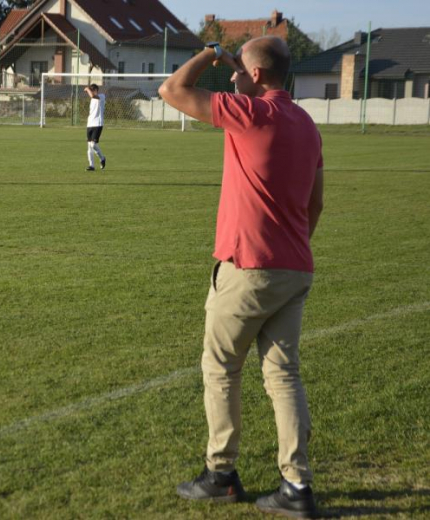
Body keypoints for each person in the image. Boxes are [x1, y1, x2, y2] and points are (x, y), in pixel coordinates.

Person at [158, 36, 324, 519]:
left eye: (237, 69)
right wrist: (290, 249)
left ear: (255, 74)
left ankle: (221, 474)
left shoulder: (249, 112)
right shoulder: (307, 124)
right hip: (295, 267)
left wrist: (212, 53)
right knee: (284, 375)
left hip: (249, 267)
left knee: (222, 368)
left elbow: (171, 90)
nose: (230, 77)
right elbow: (316, 203)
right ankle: (296, 485)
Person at [83, 84, 106, 171]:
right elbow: (92, 96)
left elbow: (92, 95)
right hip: (90, 124)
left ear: (96, 90)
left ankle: (102, 158)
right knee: (89, 145)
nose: (91, 91)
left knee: (93, 144)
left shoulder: (101, 96)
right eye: (91, 89)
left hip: (98, 124)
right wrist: (88, 90)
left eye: (92, 89)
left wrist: (87, 89)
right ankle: (91, 165)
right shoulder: (92, 100)